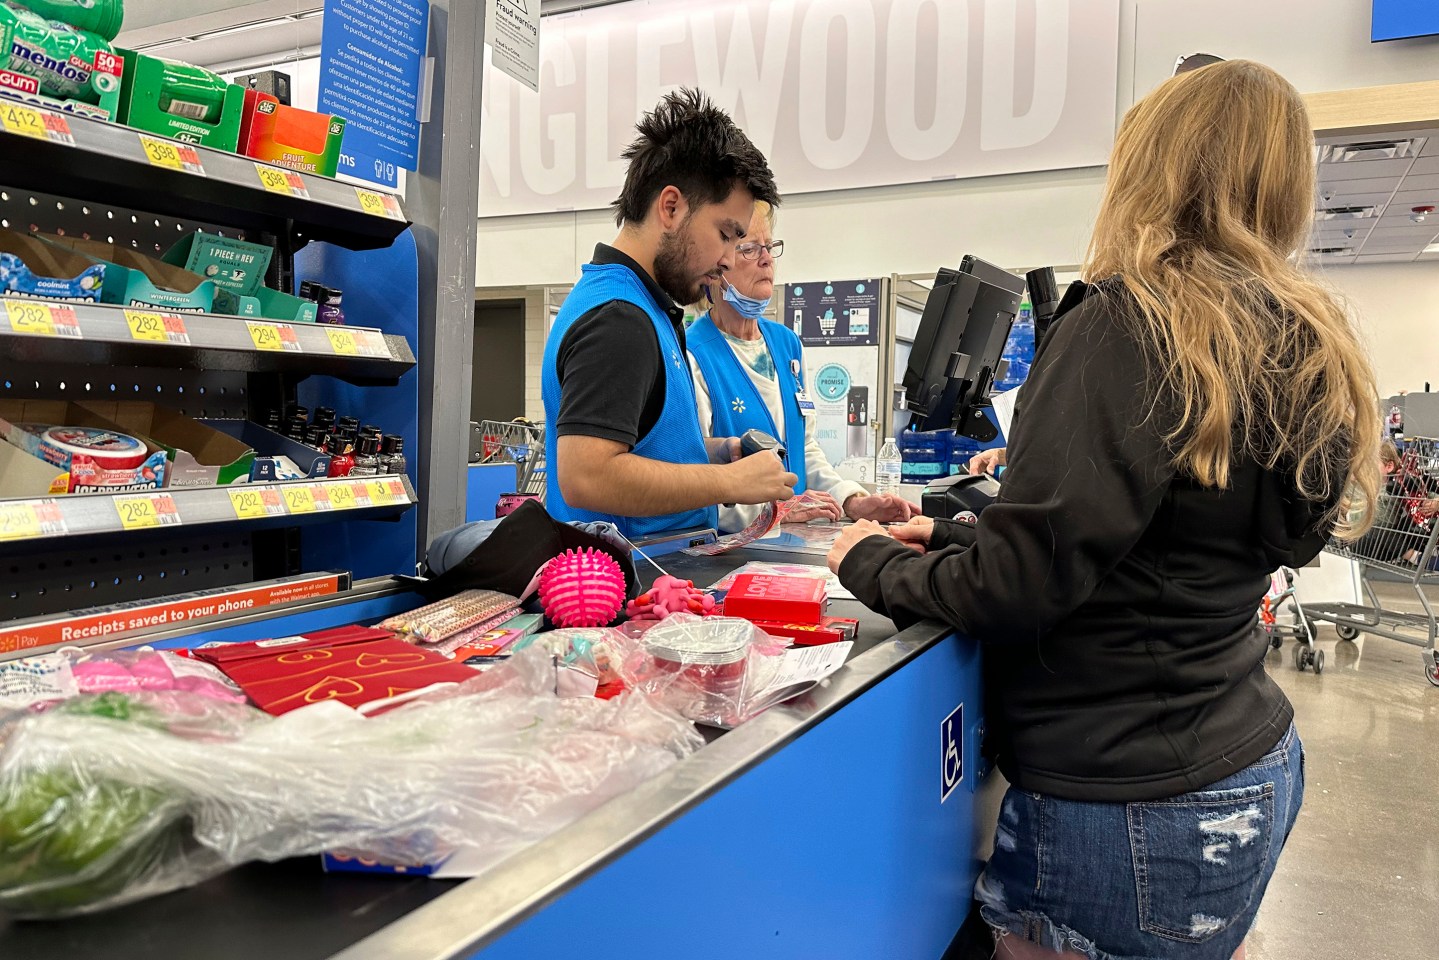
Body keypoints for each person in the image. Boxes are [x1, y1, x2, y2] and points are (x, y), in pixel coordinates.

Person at [827, 61, 1381, 960]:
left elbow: (1018, 588)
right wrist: (954, 530)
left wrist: (867, 559)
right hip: (1249, 764)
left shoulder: (1131, 323)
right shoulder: (1303, 340)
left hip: (1121, 808)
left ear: (1151, 163)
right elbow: (1173, 543)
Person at [541, 89, 798, 541]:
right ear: (672, 207)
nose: (726, 259)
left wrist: (716, 452)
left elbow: (636, 446)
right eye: (725, 234)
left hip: (660, 583)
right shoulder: (618, 319)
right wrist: (729, 484)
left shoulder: (641, 305)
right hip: (632, 589)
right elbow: (587, 476)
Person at [687, 202, 920, 531]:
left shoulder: (785, 344)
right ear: (717, 265)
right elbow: (691, 478)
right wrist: (772, 513)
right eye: (750, 249)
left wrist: (851, 500)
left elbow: (804, 448)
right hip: (731, 547)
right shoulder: (694, 353)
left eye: (769, 247)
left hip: (791, 540)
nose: (767, 259)